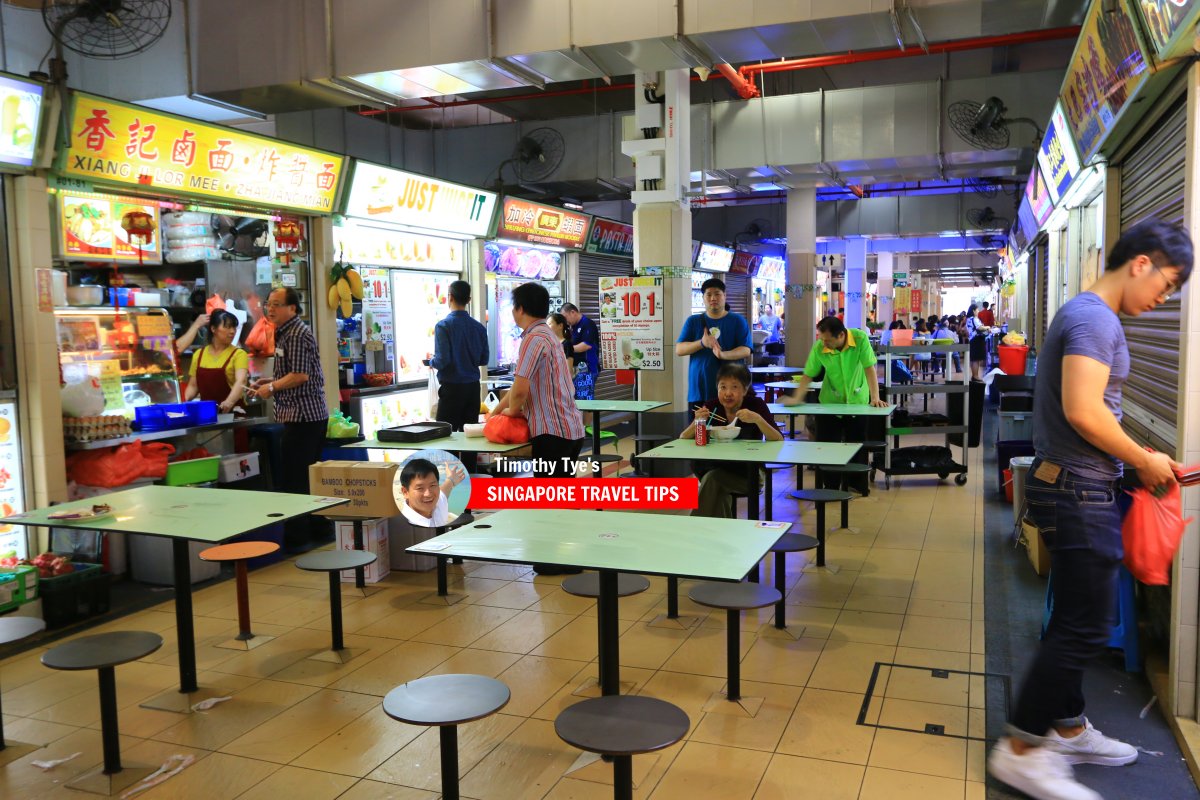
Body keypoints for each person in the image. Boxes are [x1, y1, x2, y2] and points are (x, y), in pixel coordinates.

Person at [988, 219, 1193, 800]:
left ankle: (1068, 727)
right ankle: (1023, 749)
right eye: (1168, 282)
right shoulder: (1093, 319)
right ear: (1142, 263)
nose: (1164, 298)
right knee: (1084, 622)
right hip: (1078, 490)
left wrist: (1138, 460)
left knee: (1075, 617)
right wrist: (1143, 459)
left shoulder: (1087, 315)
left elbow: (1091, 412)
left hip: (1079, 481)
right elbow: (1084, 410)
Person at [250, 288, 327, 549]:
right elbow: (294, 373)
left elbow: (301, 375)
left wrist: (271, 388)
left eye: (277, 305)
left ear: (292, 308)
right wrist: (271, 380)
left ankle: (298, 538)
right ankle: (316, 530)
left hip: (303, 418)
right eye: (268, 304)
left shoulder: (294, 333)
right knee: (307, 477)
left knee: (296, 479)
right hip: (303, 416)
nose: (270, 309)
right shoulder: (285, 332)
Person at [490, 282, 585, 479]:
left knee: (549, 502)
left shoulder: (533, 339)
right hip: (570, 429)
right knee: (560, 500)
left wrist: (510, 412)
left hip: (553, 433)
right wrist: (495, 413)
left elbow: (519, 391)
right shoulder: (548, 335)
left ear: (520, 309)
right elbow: (519, 386)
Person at [782, 316, 888, 492]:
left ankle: (858, 484)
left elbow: (870, 368)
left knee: (857, 445)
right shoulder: (820, 347)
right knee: (828, 446)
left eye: (827, 340)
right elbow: (808, 374)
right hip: (830, 403)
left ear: (841, 335)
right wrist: (796, 398)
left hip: (857, 403)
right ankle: (830, 485)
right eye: (821, 339)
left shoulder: (860, 339)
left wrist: (874, 397)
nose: (824, 343)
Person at [680, 363, 782, 518]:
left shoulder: (755, 405)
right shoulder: (712, 406)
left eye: (734, 387)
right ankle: (720, 533)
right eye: (723, 387)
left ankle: (694, 526)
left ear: (745, 390)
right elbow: (683, 437)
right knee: (716, 487)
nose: (728, 393)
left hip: (749, 473)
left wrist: (758, 419)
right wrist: (697, 421)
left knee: (713, 481)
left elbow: (778, 438)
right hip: (716, 466)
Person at [431, 280, 488, 471]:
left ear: (450, 298)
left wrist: (430, 362)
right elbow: (484, 358)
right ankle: (471, 477)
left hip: (451, 390)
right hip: (472, 389)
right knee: (469, 436)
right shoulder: (479, 328)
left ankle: (450, 481)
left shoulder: (443, 326)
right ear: (469, 300)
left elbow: (442, 360)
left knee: (445, 437)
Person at [675, 278, 753, 404]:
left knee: (731, 424)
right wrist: (702, 343)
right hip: (699, 392)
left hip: (730, 392)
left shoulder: (737, 320)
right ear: (703, 297)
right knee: (700, 424)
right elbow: (679, 349)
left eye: (717, 294)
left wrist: (723, 355)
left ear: (725, 296)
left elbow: (746, 350)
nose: (713, 298)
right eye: (709, 294)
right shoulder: (693, 321)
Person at [184, 309, 248, 415]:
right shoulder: (198, 354)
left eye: (234, 327)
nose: (232, 331)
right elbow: (193, 386)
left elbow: (241, 382)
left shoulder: (239, 354)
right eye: (227, 327)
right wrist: (183, 402)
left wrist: (229, 402)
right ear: (213, 328)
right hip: (206, 414)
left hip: (233, 414)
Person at [398, 457, 466, 528]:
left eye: (432, 485)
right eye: (420, 488)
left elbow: (444, 491)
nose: (428, 494)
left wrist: (451, 479)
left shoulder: (438, 503)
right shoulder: (404, 525)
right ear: (405, 492)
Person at [561, 302, 600, 401]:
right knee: (577, 401)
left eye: (565, 317)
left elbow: (586, 345)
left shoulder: (587, 324)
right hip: (576, 368)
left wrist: (567, 348)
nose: (565, 321)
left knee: (586, 401)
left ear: (573, 312)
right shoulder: (572, 327)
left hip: (587, 369)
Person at [965, 304, 987, 379]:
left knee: (973, 359)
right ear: (973, 311)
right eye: (977, 310)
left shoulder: (968, 319)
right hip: (977, 340)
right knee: (976, 360)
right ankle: (976, 376)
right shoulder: (974, 319)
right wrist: (987, 327)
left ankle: (974, 375)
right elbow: (980, 327)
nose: (978, 311)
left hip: (972, 340)